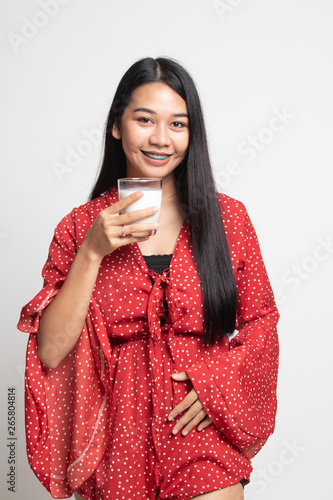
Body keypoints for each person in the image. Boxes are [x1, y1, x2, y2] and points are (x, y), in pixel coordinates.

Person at [18, 57, 279, 500]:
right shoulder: (79, 227)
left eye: (178, 123)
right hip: (113, 436)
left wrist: (216, 385)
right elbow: (51, 348)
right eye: (145, 120)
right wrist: (93, 252)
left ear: (192, 134)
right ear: (118, 126)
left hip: (197, 430)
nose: (161, 138)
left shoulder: (228, 219)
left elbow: (261, 321)